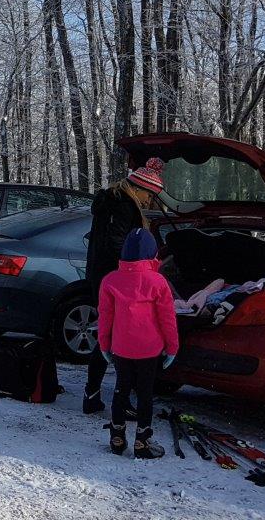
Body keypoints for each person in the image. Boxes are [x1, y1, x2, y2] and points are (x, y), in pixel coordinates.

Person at [83, 157, 167, 415]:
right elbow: (118, 244)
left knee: (108, 335)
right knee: (123, 340)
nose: (148, 202)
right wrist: (138, 269)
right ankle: (120, 401)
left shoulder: (110, 201)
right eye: (149, 196)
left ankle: (92, 394)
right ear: (139, 189)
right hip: (119, 280)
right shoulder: (125, 206)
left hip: (101, 277)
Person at [98, 228, 179, 458]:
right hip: (149, 349)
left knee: (120, 390)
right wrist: (172, 347)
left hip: (121, 348)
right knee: (145, 394)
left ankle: (117, 437)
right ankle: (142, 441)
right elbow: (167, 318)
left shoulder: (110, 281)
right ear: (152, 254)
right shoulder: (158, 282)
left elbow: (105, 316)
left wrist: (104, 344)